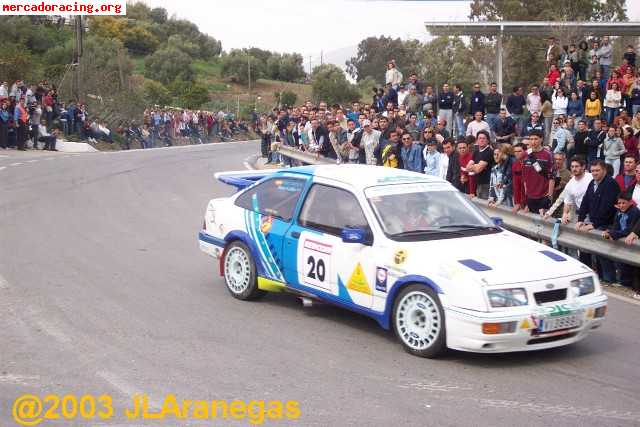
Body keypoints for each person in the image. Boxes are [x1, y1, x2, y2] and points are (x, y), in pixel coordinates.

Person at [602, 192, 640, 289]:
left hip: (631, 240)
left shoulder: (634, 212)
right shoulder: (619, 212)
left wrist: (614, 234)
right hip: (621, 239)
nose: (621, 205)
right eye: (619, 203)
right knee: (621, 263)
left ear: (630, 202)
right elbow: (615, 225)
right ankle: (623, 281)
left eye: (624, 203)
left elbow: (630, 229)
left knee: (628, 264)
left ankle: (627, 283)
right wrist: (610, 232)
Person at [522, 130, 554, 215]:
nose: (533, 141)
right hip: (530, 195)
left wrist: (549, 195)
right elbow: (524, 175)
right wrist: (526, 194)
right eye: (531, 139)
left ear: (541, 139)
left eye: (536, 139)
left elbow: (552, 176)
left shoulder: (548, 154)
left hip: (543, 195)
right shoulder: (525, 154)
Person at [465, 130, 494, 199]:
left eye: (484, 138)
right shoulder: (476, 151)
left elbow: (478, 170)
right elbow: (467, 168)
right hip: (478, 183)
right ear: (477, 140)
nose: (481, 140)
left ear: (488, 140)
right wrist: (477, 166)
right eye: (479, 138)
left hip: (487, 184)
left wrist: (475, 166)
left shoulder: (489, 152)